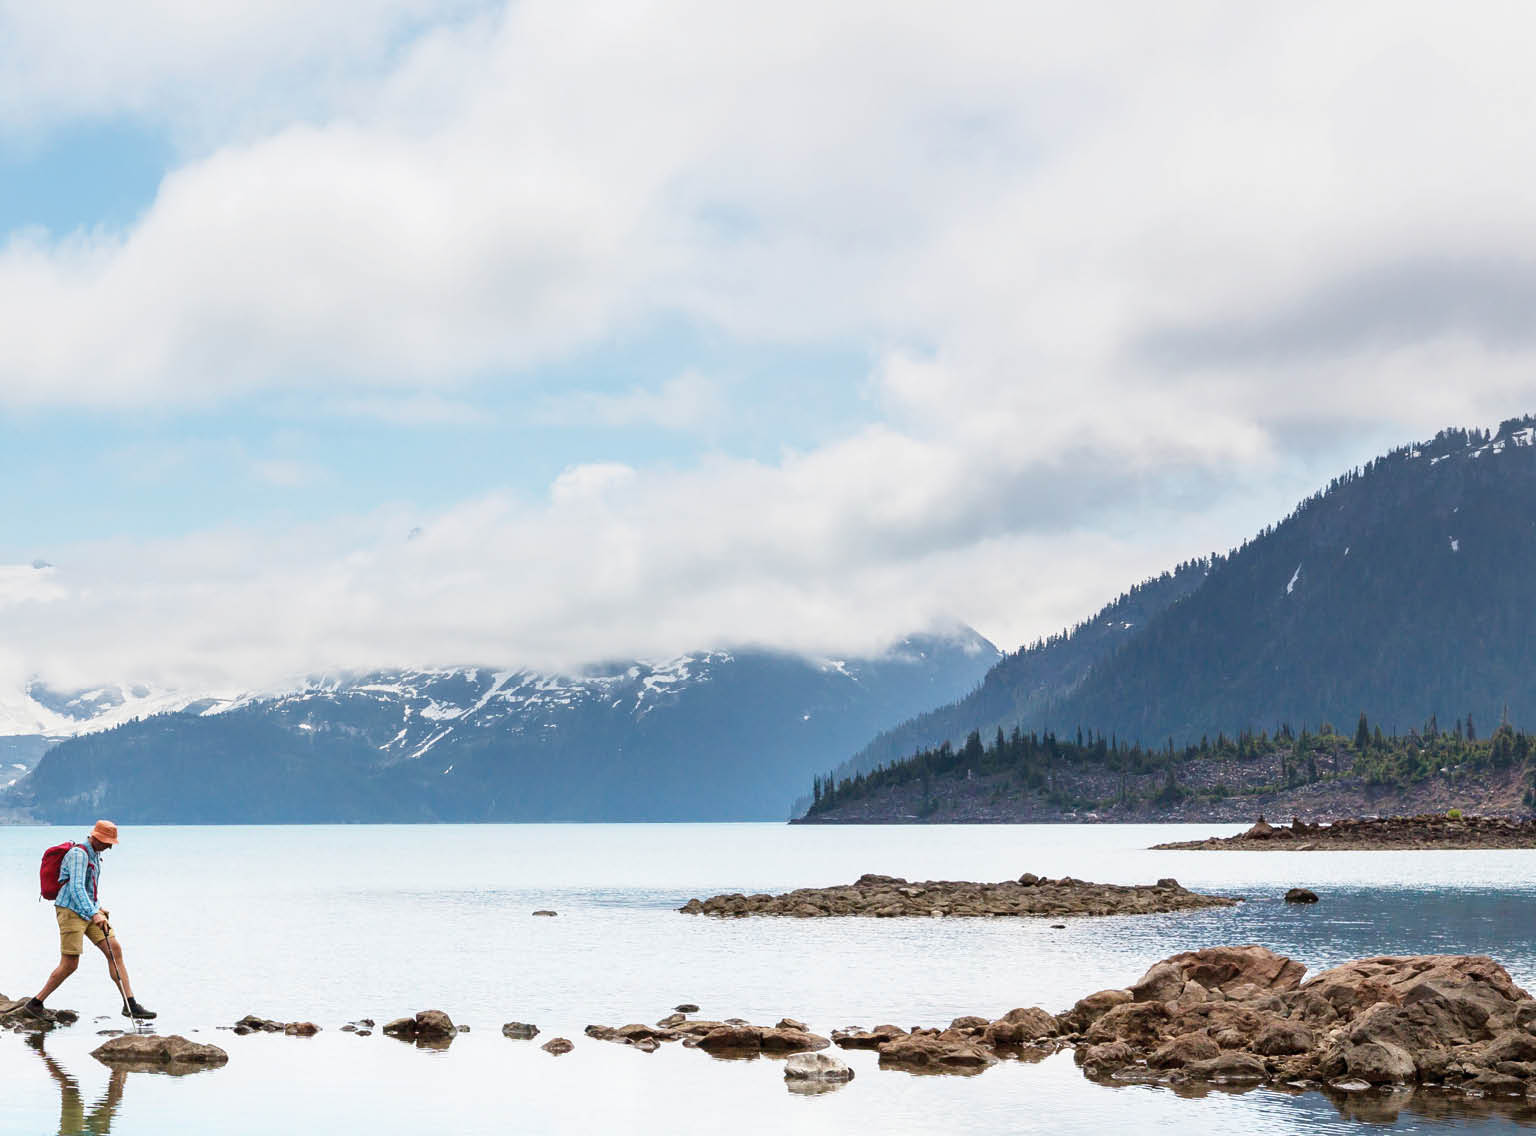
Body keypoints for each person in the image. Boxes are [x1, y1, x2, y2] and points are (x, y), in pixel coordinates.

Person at [24, 820, 155, 1022]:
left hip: (88, 911)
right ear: (95, 837)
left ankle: (131, 1005)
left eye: (111, 843)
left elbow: (88, 888)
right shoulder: (78, 854)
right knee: (70, 964)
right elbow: (76, 888)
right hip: (69, 911)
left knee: (115, 949)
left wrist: (98, 908)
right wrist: (95, 914)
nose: (109, 846)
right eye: (106, 842)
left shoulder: (95, 854)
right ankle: (35, 1003)